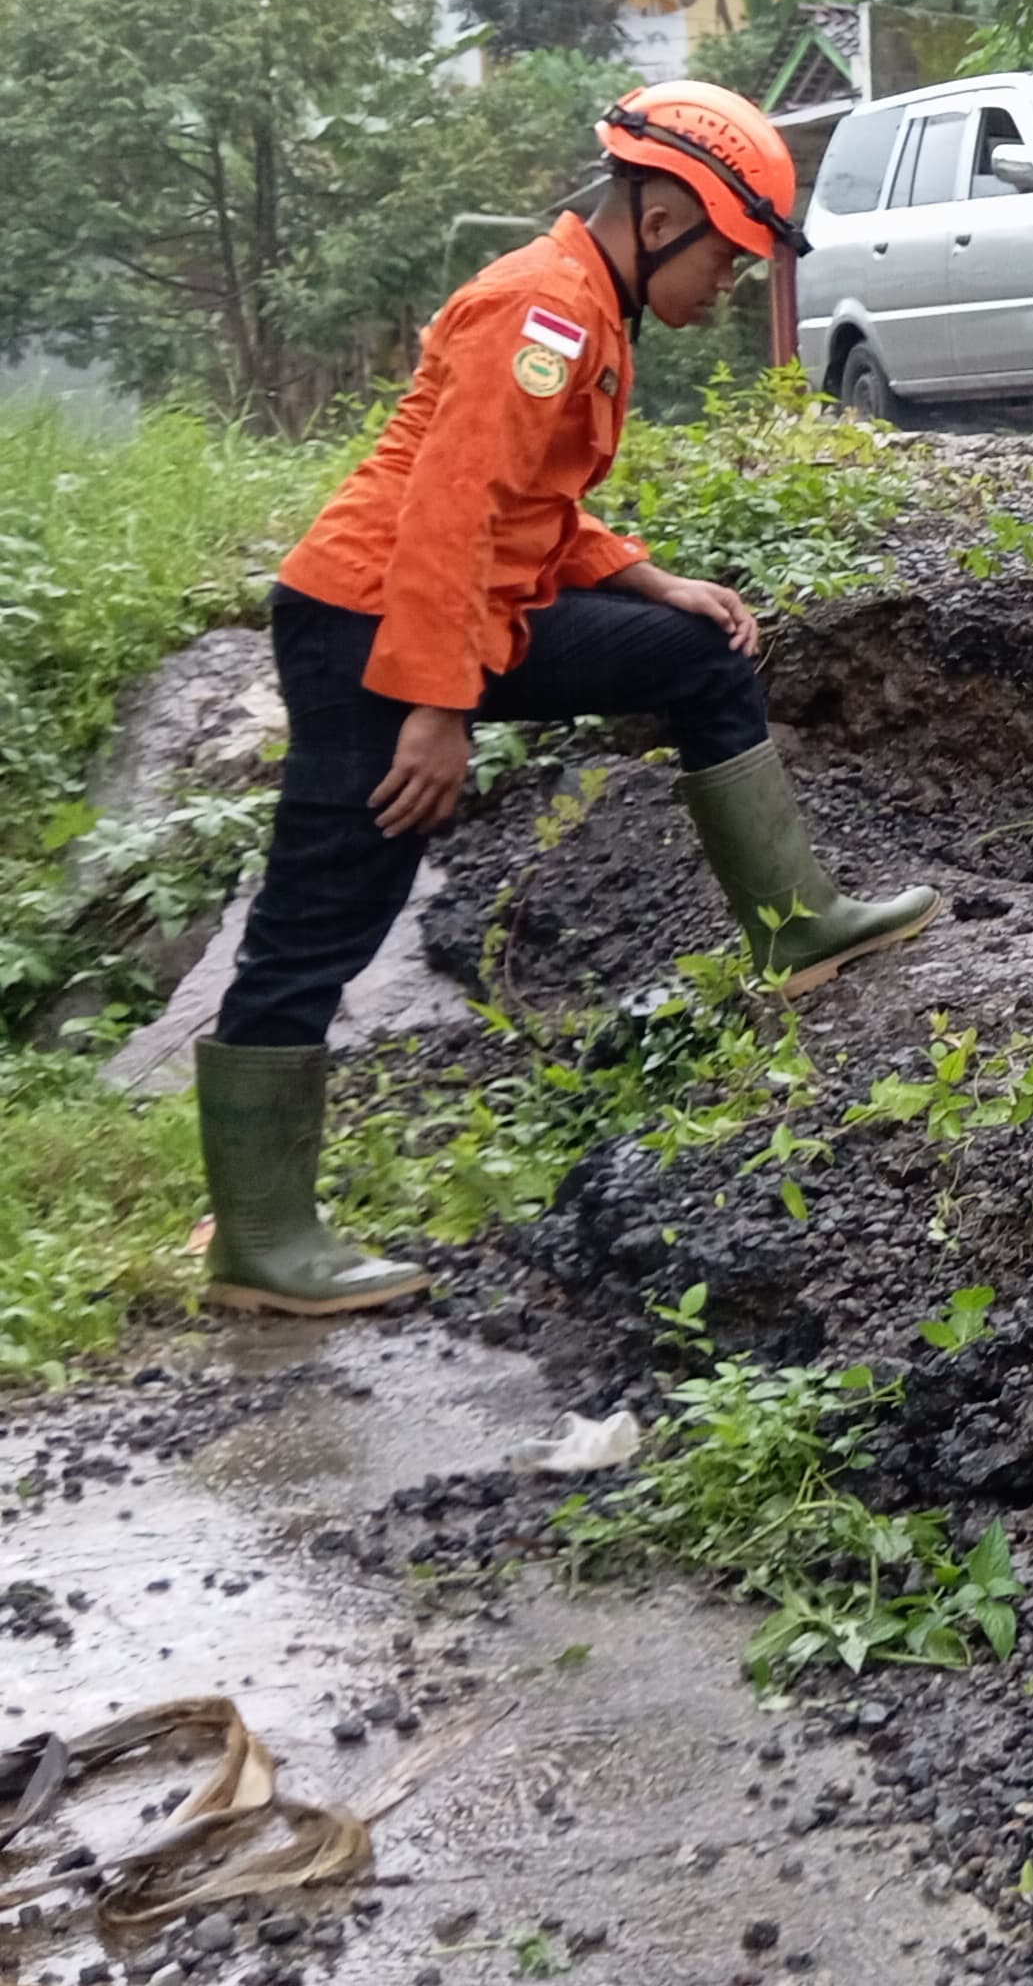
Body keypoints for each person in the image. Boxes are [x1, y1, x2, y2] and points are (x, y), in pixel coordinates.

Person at [196, 79, 943, 1319]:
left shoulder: (586, 303)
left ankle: (794, 923)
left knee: (696, 651)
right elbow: (450, 516)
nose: (728, 290)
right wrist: (438, 708)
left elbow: (533, 508)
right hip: (368, 626)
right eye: (727, 259)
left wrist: (653, 579)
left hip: (442, 617)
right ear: (659, 219)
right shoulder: (539, 311)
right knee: (333, 903)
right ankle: (260, 1242)